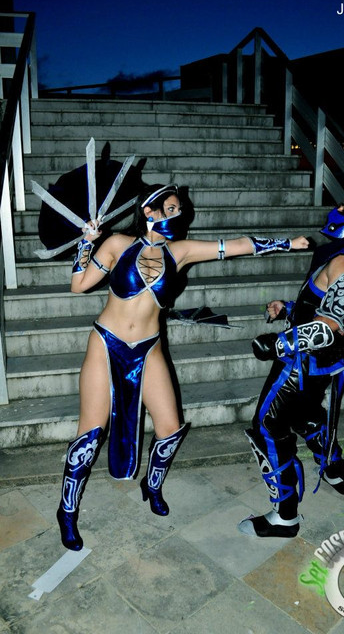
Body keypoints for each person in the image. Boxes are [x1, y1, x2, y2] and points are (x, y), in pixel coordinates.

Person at [57, 183, 310, 550]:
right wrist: (87, 243)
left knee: (169, 428)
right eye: (172, 208)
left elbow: (234, 246)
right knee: (90, 435)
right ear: (150, 211)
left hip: (149, 348)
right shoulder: (117, 244)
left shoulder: (180, 251)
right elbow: (79, 286)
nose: (179, 215)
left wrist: (287, 243)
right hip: (106, 344)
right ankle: (67, 511)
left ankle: (152, 486)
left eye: (180, 210)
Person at [238, 191, 344, 538]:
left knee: (268, 427)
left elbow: (330, 325)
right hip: (321, 362)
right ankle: (334, 470)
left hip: (302, 363)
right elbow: (329, 309)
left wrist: (277, 343)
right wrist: (289, 308)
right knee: (304, 415)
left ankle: (285, 516)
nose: (337, 209)